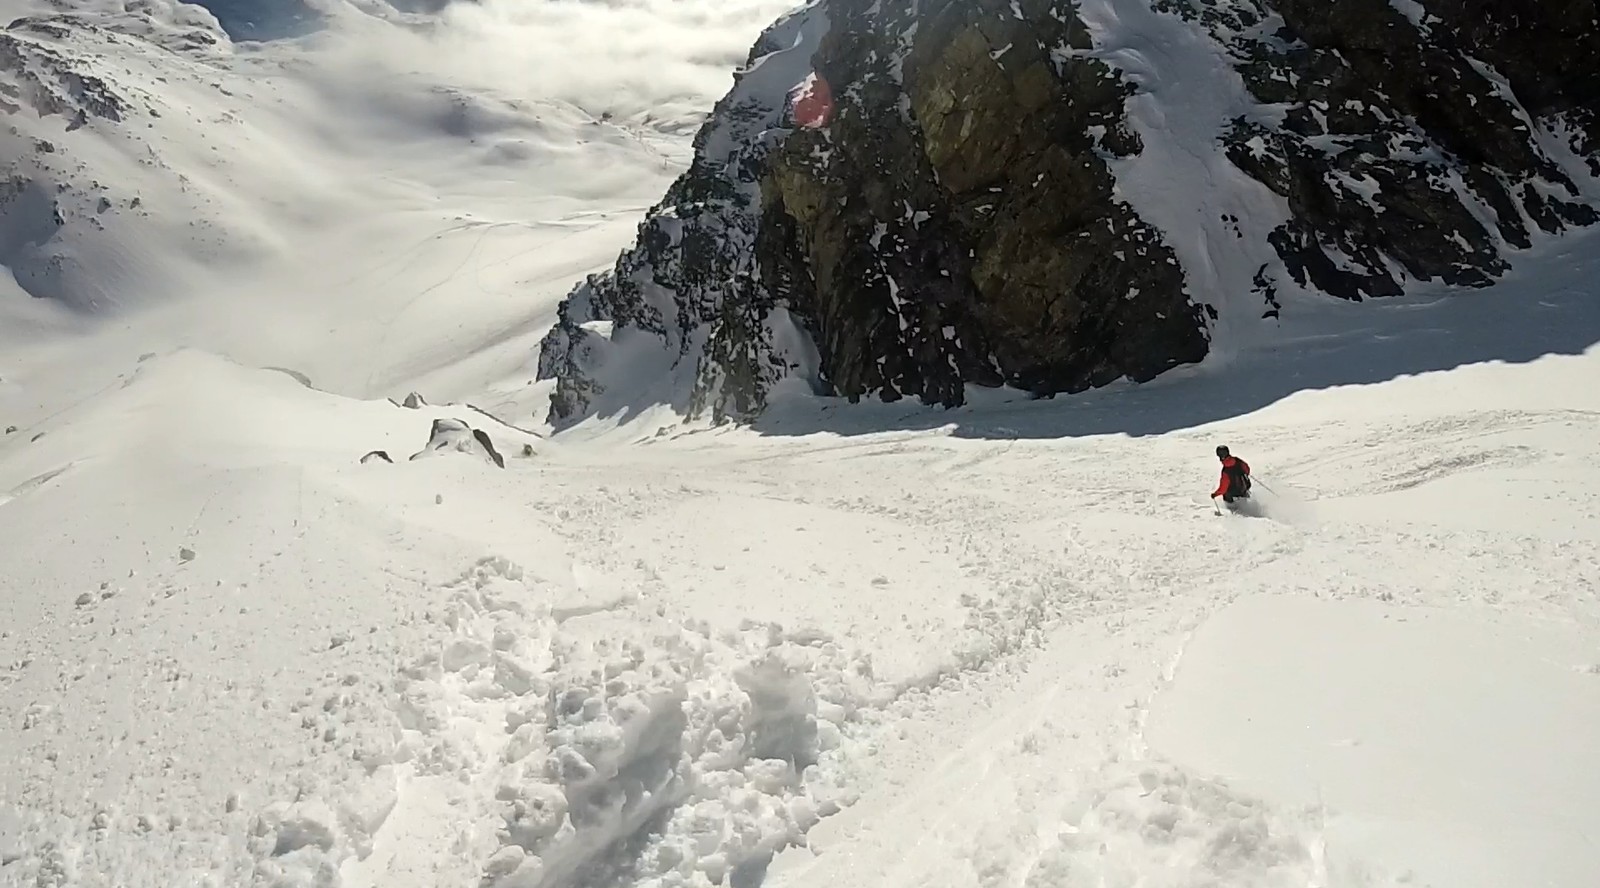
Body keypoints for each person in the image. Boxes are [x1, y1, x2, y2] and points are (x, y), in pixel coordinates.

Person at [1212, 445, 1252, 511]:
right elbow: (1247, 469)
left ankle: (1232, 510)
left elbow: (1223, 489)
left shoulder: (1226, 471)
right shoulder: (1237, 460)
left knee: (1226, 494)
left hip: (1233, 493)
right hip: (1244, 487)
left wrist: (1215, 494)